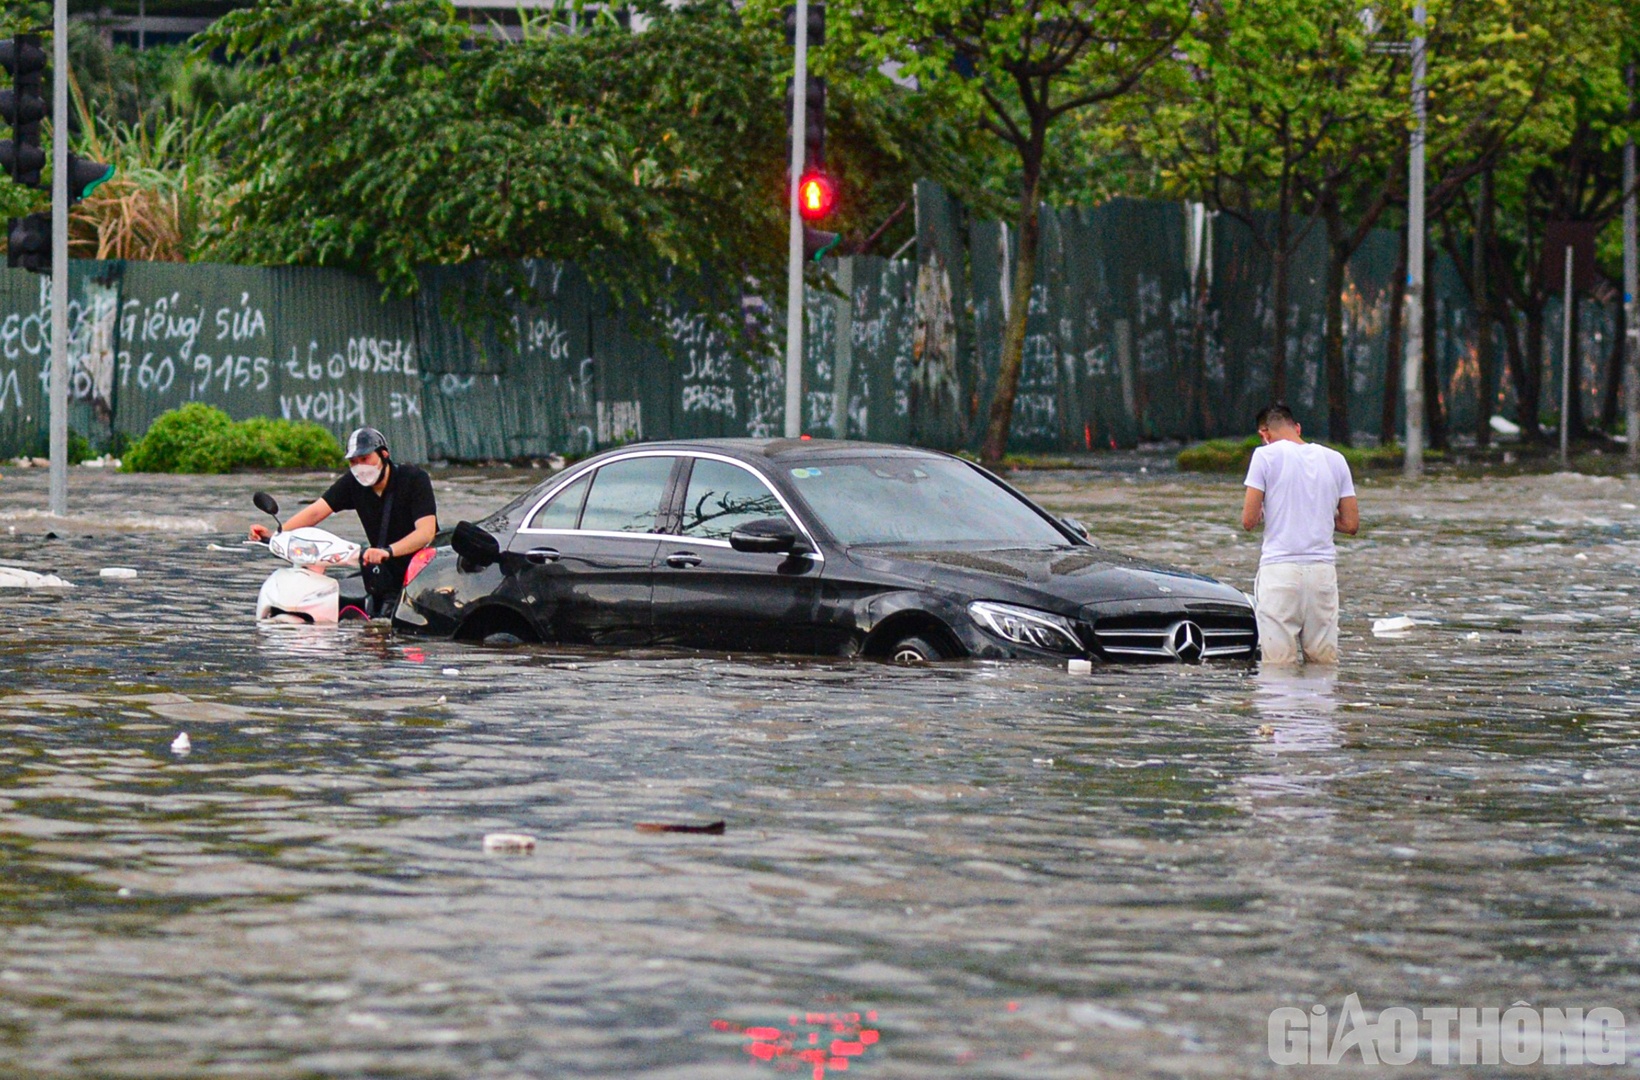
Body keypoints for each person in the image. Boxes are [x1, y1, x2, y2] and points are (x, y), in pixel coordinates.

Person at [250, 427, 437, 618]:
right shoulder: (352, 483)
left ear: (384, 455)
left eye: (365, 459)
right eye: (353, 462)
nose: (360, 467)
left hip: (423, 572)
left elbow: (426, 533)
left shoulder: (414, 479)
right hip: (381, 571)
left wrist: (387, 551)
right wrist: (277, 534)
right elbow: (316, 511)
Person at [1240, 403, 1359, 665]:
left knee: (1278, 667)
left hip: (1280, 572)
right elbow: (1351, 524)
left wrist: (1267, 512)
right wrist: (1319, 514)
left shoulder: (1264, 456)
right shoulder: (1335, 459)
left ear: (1265, 434)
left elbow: (1248, 520)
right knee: (1323, 665)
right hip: (1322, 574)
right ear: (1297, 428)